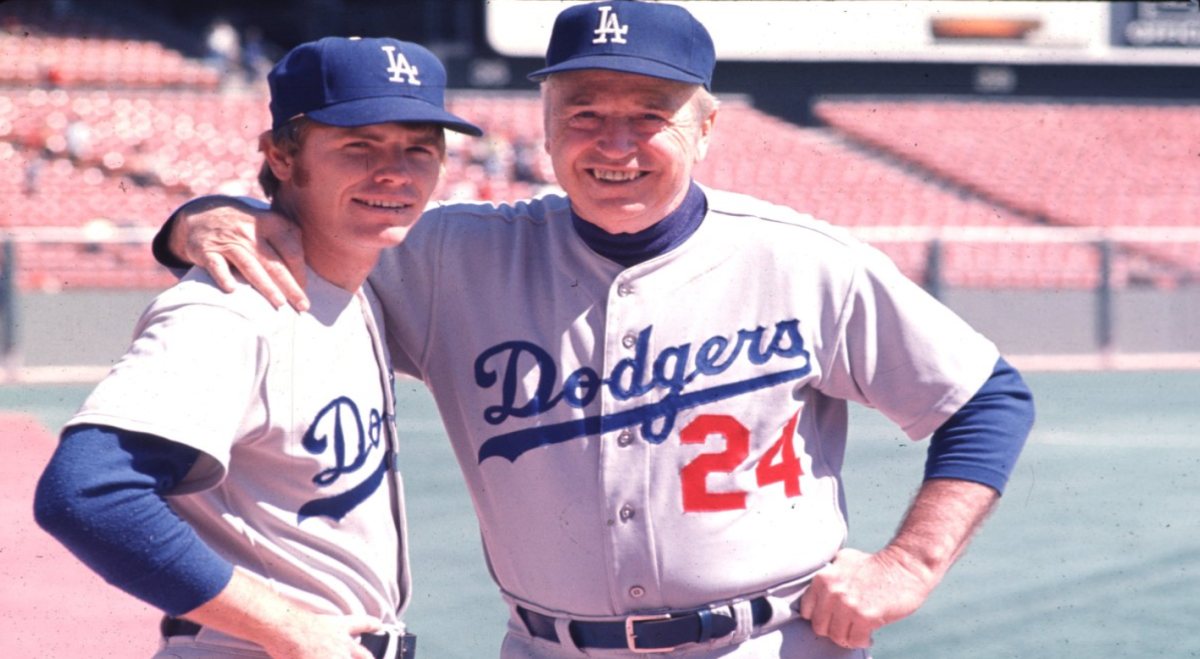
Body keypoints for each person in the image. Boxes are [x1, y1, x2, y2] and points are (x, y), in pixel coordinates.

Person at [153, 2, 1035, 657]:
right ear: (543, 125)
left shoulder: (801, 259)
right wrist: (197, 217)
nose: (614, 142)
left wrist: (909, 564)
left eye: (648, 114)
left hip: (766, 642)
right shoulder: (449, 255)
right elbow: (309, 218)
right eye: (583, 113)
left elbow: (984, 394)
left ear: (705, 127)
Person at [35, 36, 482, 659]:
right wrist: (290, 631)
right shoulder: (231, 307)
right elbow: (89, 494)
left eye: (419, 149)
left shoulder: (359, 284)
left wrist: (198, 216)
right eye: (359, 145)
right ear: (279, 156)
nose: (395, 172)